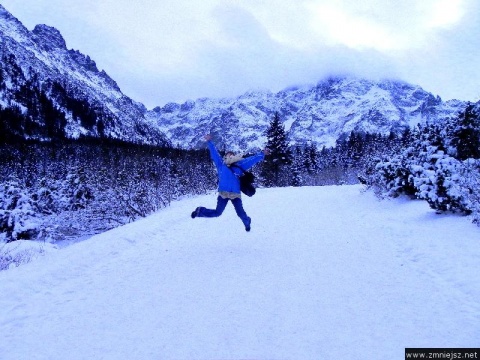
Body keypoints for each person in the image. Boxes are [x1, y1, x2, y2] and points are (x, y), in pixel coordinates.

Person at [191, 134, 269, 232]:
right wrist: (209, 142)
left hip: (235, 194)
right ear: (225, 156)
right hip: (223, 194)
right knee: (217, 213)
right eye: (228, 154)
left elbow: (251, 160)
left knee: (240, 214)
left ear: (234, 156)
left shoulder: (240, 164)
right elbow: (214, 153)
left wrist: (262, 154)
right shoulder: (221, 164)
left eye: (232, 154)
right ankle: (199, 212)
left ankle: (247, 222)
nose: (230, 155)